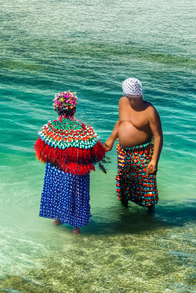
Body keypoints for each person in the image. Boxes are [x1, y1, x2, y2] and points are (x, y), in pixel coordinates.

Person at [35, 91, 107, 233]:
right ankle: (76, 228)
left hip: (58, 170)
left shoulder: (51, 129)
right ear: (74, 109)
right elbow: (96, 152)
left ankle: (58, 219)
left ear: (57, 108)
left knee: (58, 191)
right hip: (76, 173)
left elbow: (41, 150)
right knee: (77, 197)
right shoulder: (84, 131)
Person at [105, 77, 163, 214]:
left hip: (142, 153)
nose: (131, 101)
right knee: (124, 183)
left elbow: (158, 136)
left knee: (147, 187)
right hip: (123, 153)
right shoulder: (122, 102)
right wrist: (112, 138)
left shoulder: (150, 111)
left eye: (135, 98)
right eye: (129, 97)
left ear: (141, 95)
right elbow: (121, 121)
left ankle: (150, 219)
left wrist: (154, 161)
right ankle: (124, 214)